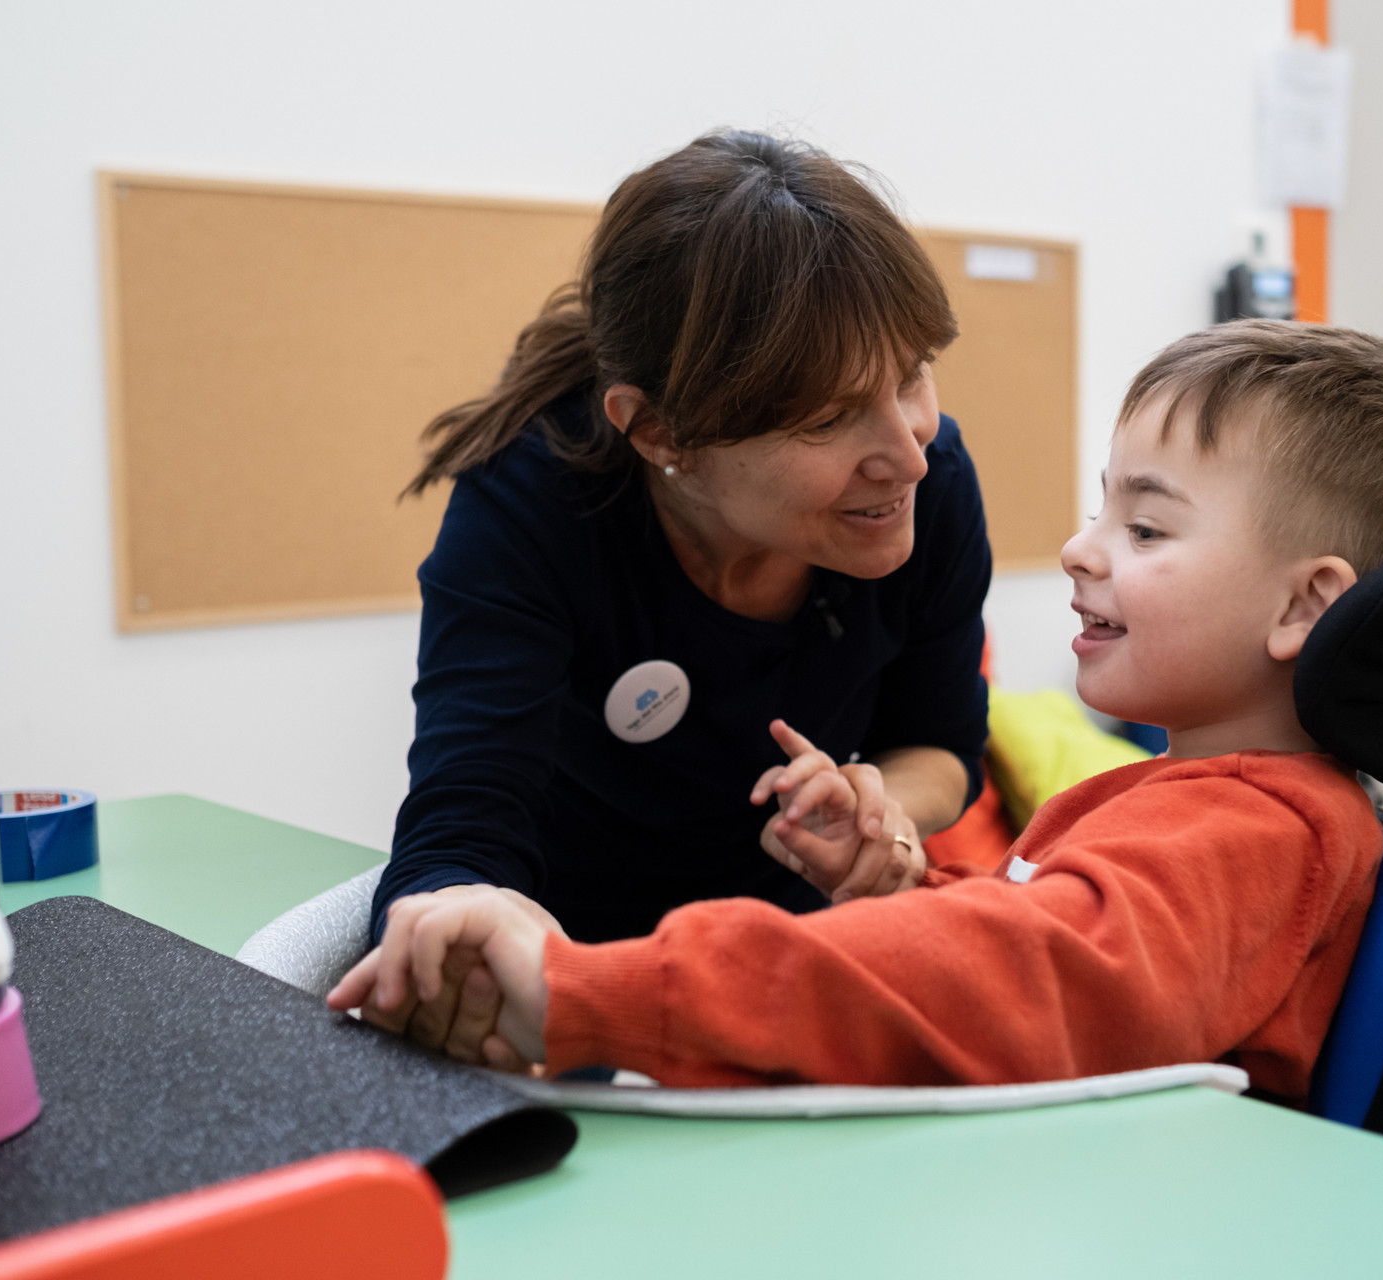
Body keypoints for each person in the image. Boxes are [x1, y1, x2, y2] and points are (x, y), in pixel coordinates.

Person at [334, 320, 1383, 1101]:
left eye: (1147, 528)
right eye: (1099, 511)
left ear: (1304, 602)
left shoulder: (1258, 833)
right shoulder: (1198, 802)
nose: (1080, 548)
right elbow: (1057, 943)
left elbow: (1023, 983)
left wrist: (586, 989)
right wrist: (896, 883)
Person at [373, 130, 992, 959]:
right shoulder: (528, 503)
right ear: (662, 433)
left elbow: (942, 745)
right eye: (827, 419)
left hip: (783, 954)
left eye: (912, 374)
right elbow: (461, 831)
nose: (910, 453)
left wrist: (876, 806)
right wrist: (460, 944)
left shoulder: (935, 481)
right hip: (577, 952)